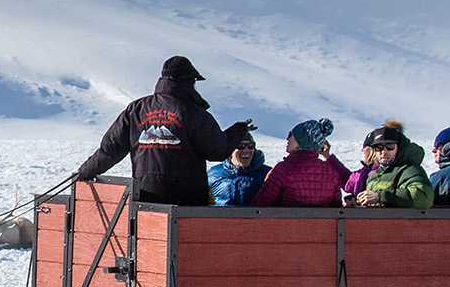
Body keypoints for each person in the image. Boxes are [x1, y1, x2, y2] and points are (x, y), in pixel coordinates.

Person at [75, 55, 249, 207]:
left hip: (145, 198)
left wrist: (85, 172)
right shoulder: (194, 113)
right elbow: (216, 150)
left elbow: (110, 150)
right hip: (187, 204)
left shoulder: (136, 109)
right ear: (189, 82)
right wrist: (238, 131)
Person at [251, 118, 349, 206]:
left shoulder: (283, 169)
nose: (287, 138)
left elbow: (260, 205)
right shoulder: (330, 172)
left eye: (291, 135)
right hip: (323, 226)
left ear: (300, 142)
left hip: (285, 225)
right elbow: (336, 208)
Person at [349, 122, 431, 209]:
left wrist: (380, 197)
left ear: (399, 148)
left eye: (390, 146)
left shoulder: (410, 171)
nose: (384, 152)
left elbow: (422, 198)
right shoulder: (374, 176)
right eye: (379, 147)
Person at [207, 128, 267, 206]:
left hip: (253, 217)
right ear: (230, 150)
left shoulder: (267, 174)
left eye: (250, 146)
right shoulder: (214, 173)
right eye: (240, 146)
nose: (246, 150)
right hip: (220, 217)